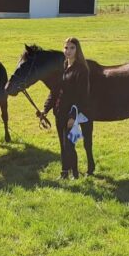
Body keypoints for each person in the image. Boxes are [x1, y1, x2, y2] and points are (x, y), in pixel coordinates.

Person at [55, 37, 91, 179]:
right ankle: (64, 173)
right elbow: (57, 91)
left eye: (72, 48)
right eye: (66, 48)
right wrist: (45, 109)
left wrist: (72, 116)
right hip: (60, 112)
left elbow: (82, 96)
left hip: (72, 113)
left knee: (69, 145)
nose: (68, 51)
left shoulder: (82, 70)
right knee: (63, 146)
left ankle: (75, 174)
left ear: (77, 50)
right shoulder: (64, 66)